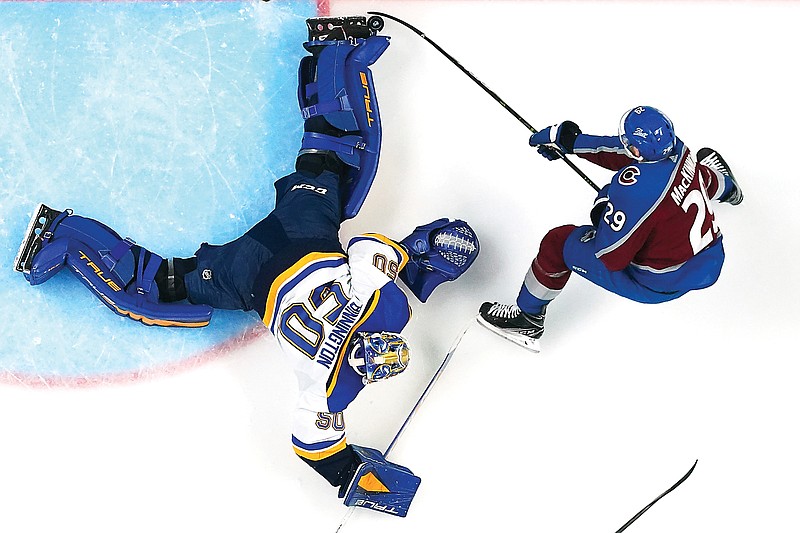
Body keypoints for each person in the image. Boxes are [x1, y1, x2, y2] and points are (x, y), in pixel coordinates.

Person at [13, 16, 480, 517]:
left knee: (339, 159)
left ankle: (333, 51)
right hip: (244, 277)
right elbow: (313, 448)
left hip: (300, 237)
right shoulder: (328, 388)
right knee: (154, 288)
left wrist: (408, 255)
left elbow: (369, 247)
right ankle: (63, 232)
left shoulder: (379, 309)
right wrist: (356, 478)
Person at [478, 105, 742, 352]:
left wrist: (604, 208)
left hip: (658, 282)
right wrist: (572, 142)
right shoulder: (678, 150)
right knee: (696, 174)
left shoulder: (635, 193)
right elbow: (627, 155)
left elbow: (611, 256)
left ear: (637, 151)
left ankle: (527, 319)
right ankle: (730, 188)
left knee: (558, 243)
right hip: (710, 259)